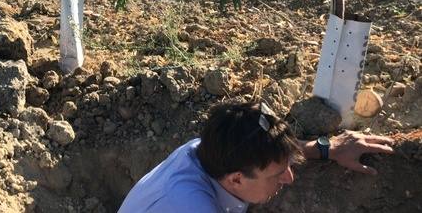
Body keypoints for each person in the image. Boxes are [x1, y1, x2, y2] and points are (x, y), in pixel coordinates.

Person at [118, 101, 395, 213]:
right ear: (237, 180)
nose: (289, 178)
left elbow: (268, 150)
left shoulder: (211, 149)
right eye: (278, 174)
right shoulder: (189, 206)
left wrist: (326, 147)